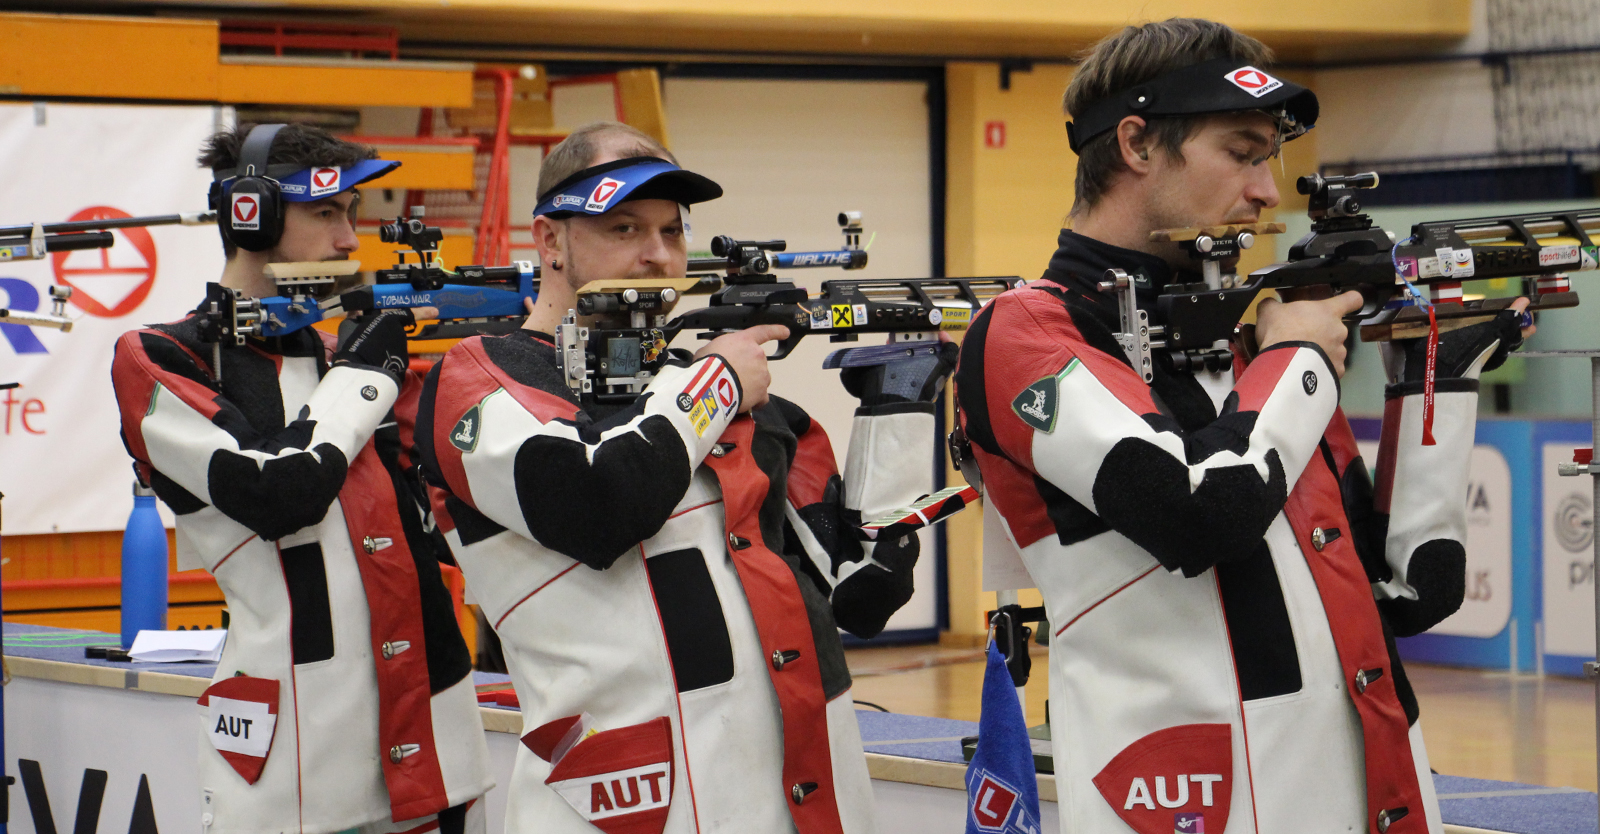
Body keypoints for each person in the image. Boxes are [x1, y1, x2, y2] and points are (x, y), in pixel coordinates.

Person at [953, 19, 1533, 834]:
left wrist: (1437, 381)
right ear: (1137, 144)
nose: (1267, 192)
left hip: (1369, 785)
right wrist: (1299, 358)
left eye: (1271, 159)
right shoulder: (1027, 332)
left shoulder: (1244, 347)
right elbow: (1199, 513)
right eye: (1243, 152)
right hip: (1189, 799)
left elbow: (1406, 590)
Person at [414, 121, 952, 834]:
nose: (658, 255)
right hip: (620, 803)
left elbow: (862, 592)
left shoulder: (722, 403)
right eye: (625, 227)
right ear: (549, 241)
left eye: (672, 231)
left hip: (802, 795)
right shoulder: (483, 376)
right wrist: (719, 378)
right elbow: (599, 501)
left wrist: (898, 407)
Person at [111, 123, 491, 834]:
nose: (350, 240)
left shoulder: (344, 355)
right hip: (295, 754)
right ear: (248, 214)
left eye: (351, 214)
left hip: (434, 735)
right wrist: (364, 373)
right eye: (326, 213)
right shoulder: (162, 356)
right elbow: (278, 491)